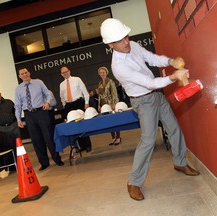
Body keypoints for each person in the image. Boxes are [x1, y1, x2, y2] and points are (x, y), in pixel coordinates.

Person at [100, 18, 199, 201]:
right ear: (110, 44)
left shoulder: (133, 45)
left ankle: (180, 162)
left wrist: (171, 61)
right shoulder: (118, 67)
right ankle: (134, 182)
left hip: (156, 95)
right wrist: (174, 76)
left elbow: (152, 59)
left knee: (174, 128)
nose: (125, 42)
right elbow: (149, 82)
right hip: (142, 102)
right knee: (148, 140)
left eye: (126, 36)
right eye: (120, 40)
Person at [15, 68, 64, 171]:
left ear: (29, 73)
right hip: (29, 115)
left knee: (49, 137)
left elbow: (48, 94)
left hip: (41, 112)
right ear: (20, 76)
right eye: (22, 74)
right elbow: (18, 105)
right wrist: (18, 119)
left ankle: (57, 159)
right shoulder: (18, 89)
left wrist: (47, 102)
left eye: (26, 73)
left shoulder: (39, 82)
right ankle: (44, 162)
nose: (24, 75)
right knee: (36, 140)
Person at [59, 66, 92, 152]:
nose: (65, 73)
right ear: (61, 74)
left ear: (69, 71)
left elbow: (85, 92)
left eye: (66, 71)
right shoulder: (61, 85)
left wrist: (86, 103)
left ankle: (87, 145)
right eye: (63, 72)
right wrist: (64, 105)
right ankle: (81, 146)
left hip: (78, 103)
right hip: (68, 106)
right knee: (74, 126)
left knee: (82, 124)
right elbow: (62, 97)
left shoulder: (77, 79)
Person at [97, 66, 121, 146]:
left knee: (115, 120)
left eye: (103, 72)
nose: (102, 74)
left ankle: (118, 137)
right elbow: (99, 96)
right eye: (100, 73)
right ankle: (113, 137)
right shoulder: (99, 83)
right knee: (108, 121)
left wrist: (114, 104)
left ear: (106, 72)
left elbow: (114, 93)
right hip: (104, 105)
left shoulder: (111, 82)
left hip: (111, 103)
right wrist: (99, 105)